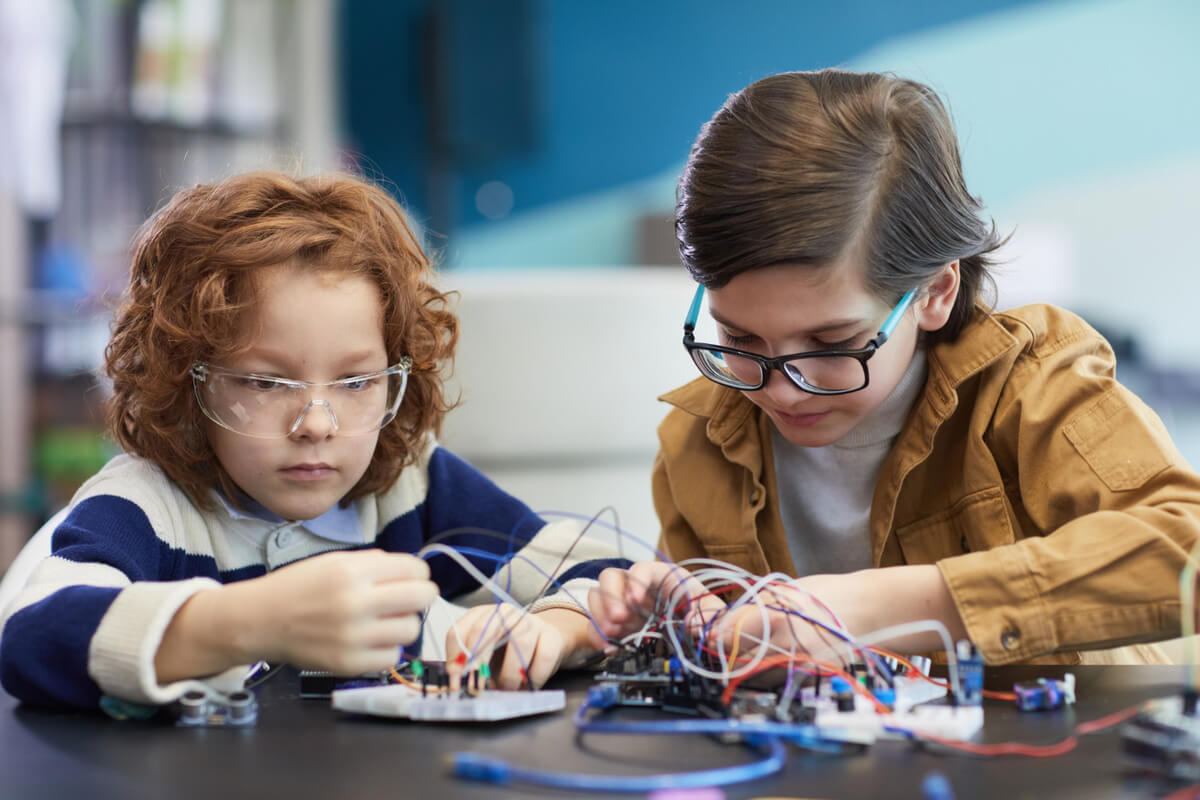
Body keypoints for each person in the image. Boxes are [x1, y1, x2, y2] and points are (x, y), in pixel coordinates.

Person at [588, 69, 1200, 666]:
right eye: (738, 335)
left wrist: (896, 605)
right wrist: (655, 622)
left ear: (933, 291)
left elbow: (1186, 548)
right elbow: (712, 652)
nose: (779, 390)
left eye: (831, 342)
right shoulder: (701, 436)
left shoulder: (1033, 384)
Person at [0, 171, 622, 710]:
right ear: (185, 381)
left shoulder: (415, 486)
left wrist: (559, 626)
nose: (318, 424)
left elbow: (610, 575)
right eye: (267, 382)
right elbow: (33, 637)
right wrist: (254, 622)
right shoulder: (148, 508)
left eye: (355, 381)